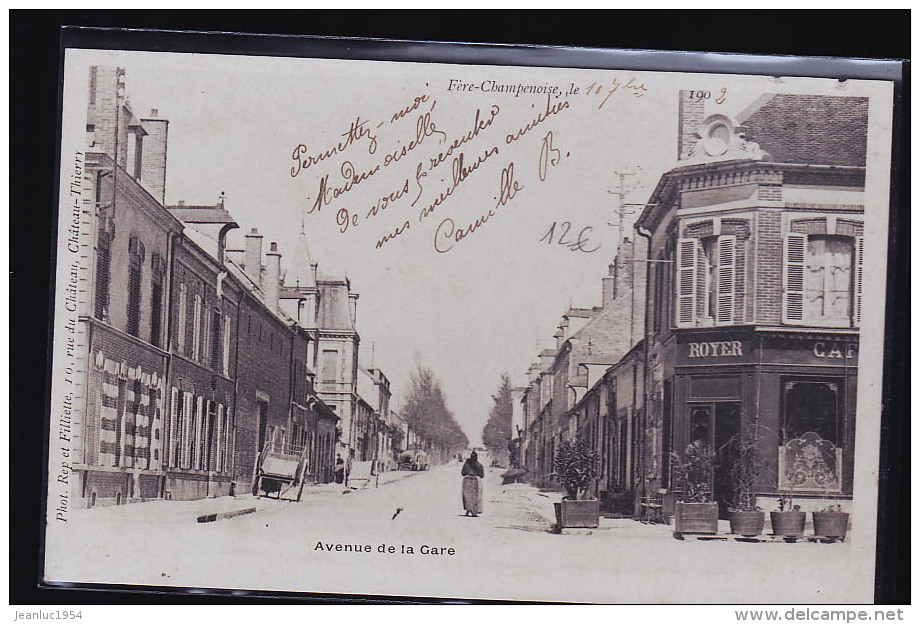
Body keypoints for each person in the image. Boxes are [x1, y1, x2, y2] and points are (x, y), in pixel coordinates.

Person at [461, 451, 485, 517]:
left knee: (467, 496)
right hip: (476, 480)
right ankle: (474, 510)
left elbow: (463, 473)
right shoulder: (479, 465)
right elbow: (482, 475)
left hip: (467, 480)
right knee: (476, 496)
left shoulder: (466, 464)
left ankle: (468, 509)